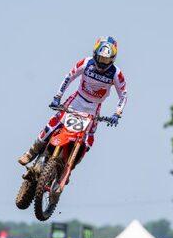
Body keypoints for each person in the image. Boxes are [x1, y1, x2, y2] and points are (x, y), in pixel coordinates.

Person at [18, 36, 128, 165]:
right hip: (76, 101)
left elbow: (123, 95)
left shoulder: (116, 73)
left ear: (112, 59)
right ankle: (31, 152)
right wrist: (57, 97)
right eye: (100, 58)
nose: (102, 62)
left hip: (94, 108)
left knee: (88, 140)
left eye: (106, 59)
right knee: (53, 124)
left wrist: (117, 113)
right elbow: (69, 77)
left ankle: (69, 167)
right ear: (95, 54)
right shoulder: (86, 63)